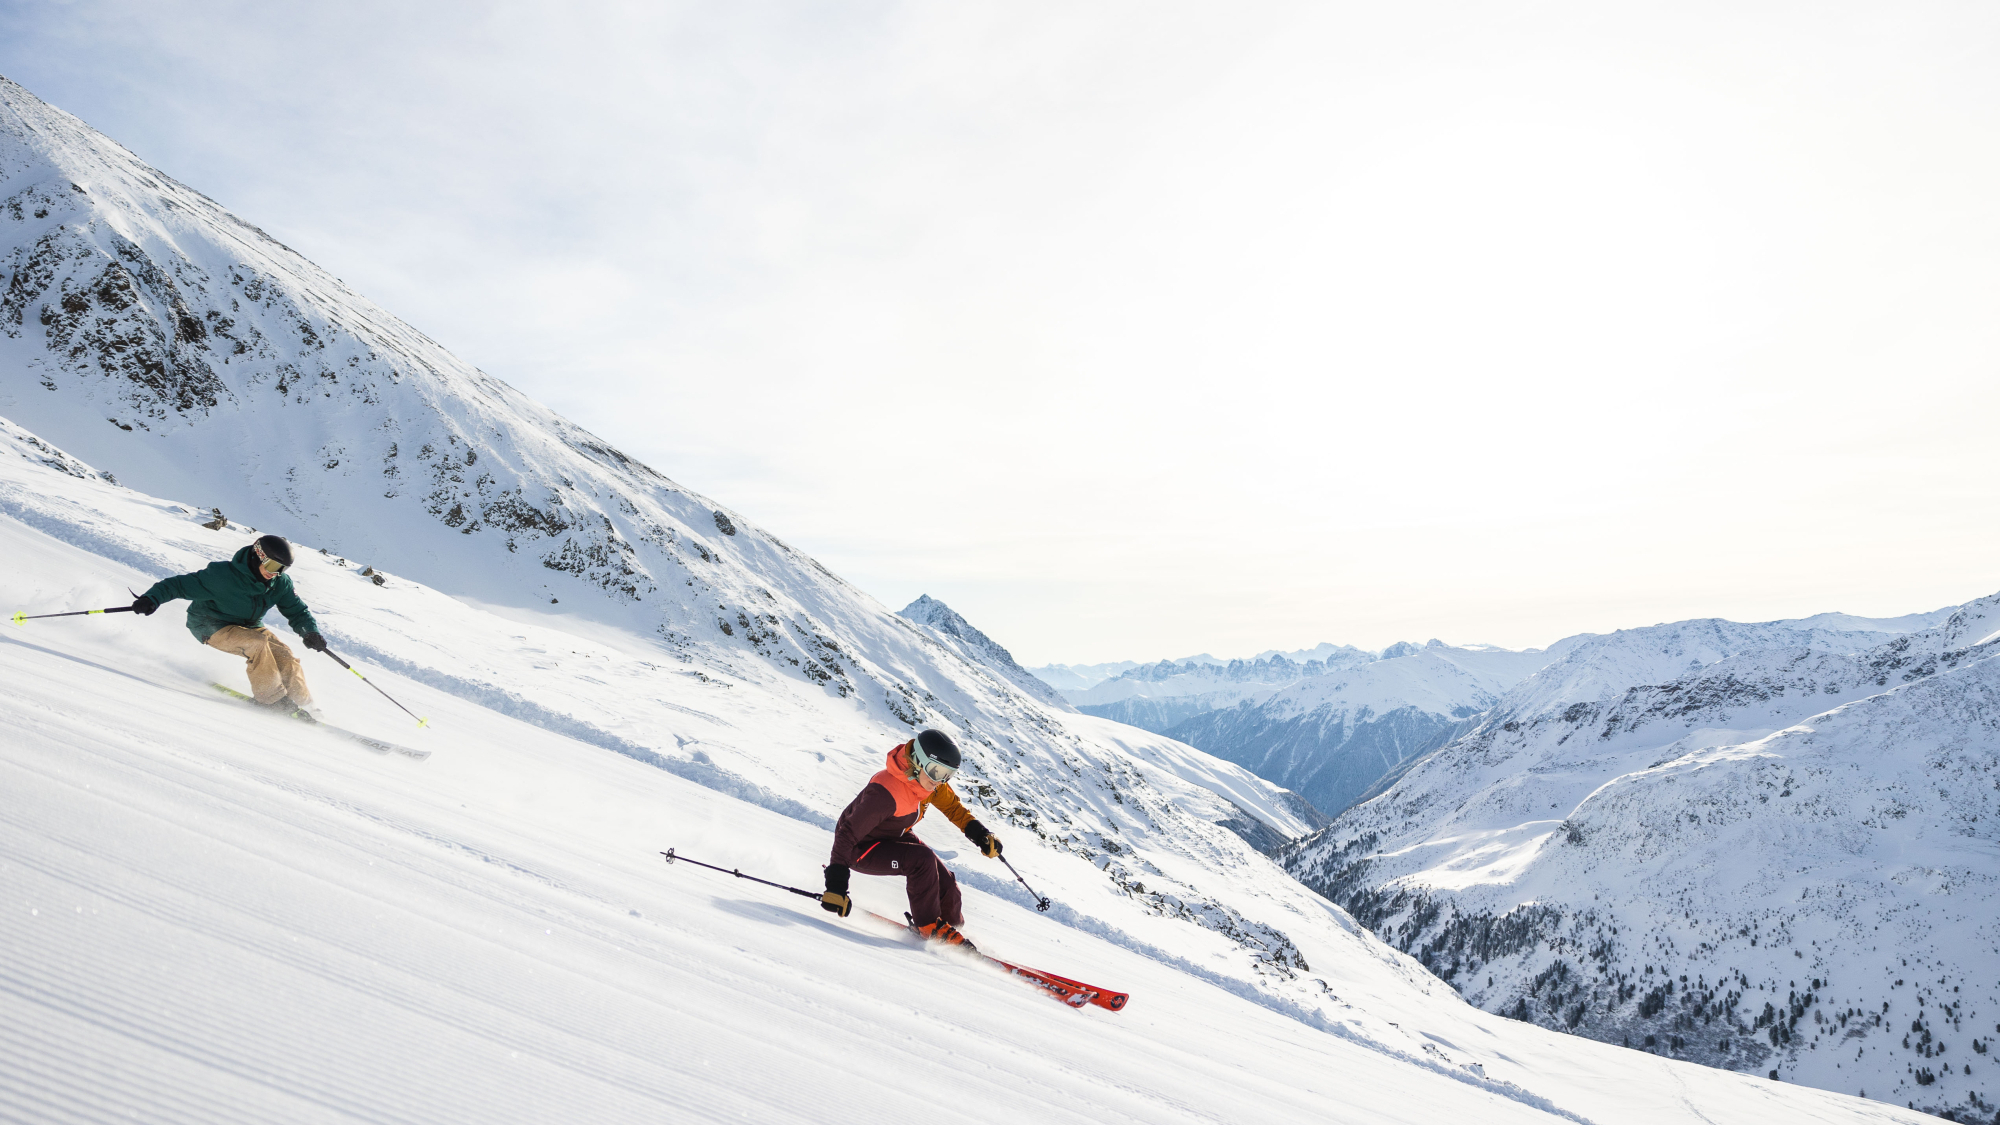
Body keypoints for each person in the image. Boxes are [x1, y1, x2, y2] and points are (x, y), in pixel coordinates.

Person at [820, 728, 1003, 947]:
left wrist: (980, 834)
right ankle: (929, 927)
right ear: (917, 761)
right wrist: (836, 885)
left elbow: (953, 808)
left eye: (947, 775)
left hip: (893, 834)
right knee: (922, 860)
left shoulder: (929, 784)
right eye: (936, 771)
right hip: (859, 848)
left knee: (947, 884)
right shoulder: (886, 791)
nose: (940, 780)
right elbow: (846, 833)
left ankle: (949, 926)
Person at [130, 534, 327, 719]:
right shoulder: (222, 575)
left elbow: (297, 611)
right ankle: (271, 700)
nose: (275, 573)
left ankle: (306, 706)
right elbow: (178, 585)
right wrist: (151, 598)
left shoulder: (279, 583)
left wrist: (310, 632)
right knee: (257, 644)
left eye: (282, 568)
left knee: (285, 655)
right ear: (258, 556)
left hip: (249, 625)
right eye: (273, 565)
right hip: (211, 624)